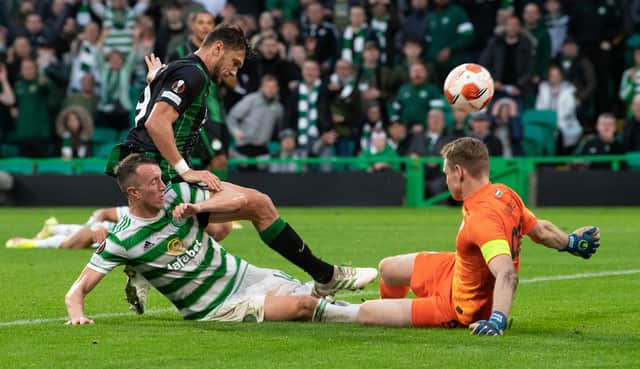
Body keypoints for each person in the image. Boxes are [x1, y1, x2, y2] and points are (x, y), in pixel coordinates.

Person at [105, 24, 376, 310]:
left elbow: (156, 110)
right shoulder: (192, 73)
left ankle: (143, 265)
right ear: (218, 48)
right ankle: (325, 275)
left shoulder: (177, 70)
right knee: (260, 205)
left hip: (144, 169)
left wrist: (155, 79)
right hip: (164, 177)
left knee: (219, 230)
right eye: (235, 62)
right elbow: (156, 121)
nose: (234, 71)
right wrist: (185, 169)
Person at [65, 154, 362, 325]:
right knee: (305, 307)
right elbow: (76, 290)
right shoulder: (122, 240)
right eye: (153, 182)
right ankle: (372, 316)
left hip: (245, 275)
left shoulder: (177, 196)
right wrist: (78, 317)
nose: (162, 185)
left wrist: (200, 208)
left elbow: (239, 198)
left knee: (315, 296)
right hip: (218, 306)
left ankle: (374, 309)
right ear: (134, 193)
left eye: (161, 177)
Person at [357, 137, 601, 335]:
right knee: (387, 268)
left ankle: (336, 310)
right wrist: (571, 243)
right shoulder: (504, 194)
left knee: (367, 312)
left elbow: (506, 273)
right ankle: (391, 304)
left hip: (461, 305)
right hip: (456, 270)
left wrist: (497, 320)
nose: (445, 179)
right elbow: (540, 230)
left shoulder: (483, 217)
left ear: (459, 171)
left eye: (446, 173)